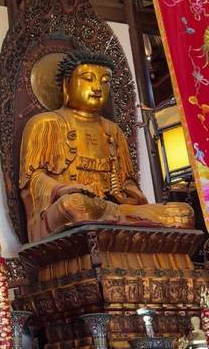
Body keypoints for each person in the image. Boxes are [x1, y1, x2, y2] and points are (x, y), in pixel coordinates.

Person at [19, 47, 194, 241]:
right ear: (66, 85)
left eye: (105, 82)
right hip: (70, 209)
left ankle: (120, 221)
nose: (97, 88)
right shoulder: (46, 123)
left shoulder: (113, 131)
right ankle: (124, 222)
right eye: (87, 79)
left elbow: (128, 183)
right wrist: (60, 189)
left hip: (114, 210)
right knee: (76, 205)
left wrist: (129, 195)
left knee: (184, 213)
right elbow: (32, 181)